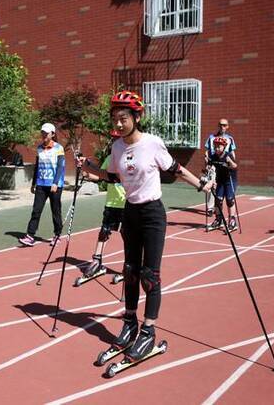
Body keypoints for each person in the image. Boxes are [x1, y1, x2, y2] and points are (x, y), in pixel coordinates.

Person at [78, 90, 213, 362]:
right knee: (130, 271)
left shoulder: (152, 143)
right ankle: (129, 322)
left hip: (152, 214)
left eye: (123, 118)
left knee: (150, 275)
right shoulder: (117, 147)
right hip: (130, 213)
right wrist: (90, 168)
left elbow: (175, 168)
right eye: (115, 118)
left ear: (136, 117)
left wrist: (202, 184)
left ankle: (148, 331)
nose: (118, 123)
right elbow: (113, 176)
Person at [79, 130, 126, 280]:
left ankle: (130, 265)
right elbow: (99, 175)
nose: (113, 142)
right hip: (111, 203)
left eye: (117, 139)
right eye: (112, 139)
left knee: (128, 236)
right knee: (104, 232)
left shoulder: (130, 159)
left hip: (127, 204)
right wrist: (85, 171)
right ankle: (96, 261)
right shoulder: (110, 158)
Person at [19, 123, 65, 247]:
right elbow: (37, 166)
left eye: (46, 133)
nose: (44, 135)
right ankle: (30, 235)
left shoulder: (59, 148)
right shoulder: (39, 148)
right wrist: (34, 183)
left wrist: (55, 183)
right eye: (42, 133)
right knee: (36, 210)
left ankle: (57, 235)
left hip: (55, 185)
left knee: (55, 211)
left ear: (53, 134)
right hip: (41, 184)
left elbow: (60, 167)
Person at [204, 118, 236, 216]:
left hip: (224, 164)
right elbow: (207, 151)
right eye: (221, 125)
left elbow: (232, 152)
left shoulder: (230, 138)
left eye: (224, 125)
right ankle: (210, 208)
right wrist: (206, 161)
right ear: (218, 126)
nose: (222, 127)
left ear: (227, 126)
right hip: (214, 164)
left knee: (223, 194)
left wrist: (232, 163)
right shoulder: (211, 137)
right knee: (210, 184)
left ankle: (222, 212)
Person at [207, 136, 239, 231]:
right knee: (218, 200)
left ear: (224, 147)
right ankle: (218, 220)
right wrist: (208, 167)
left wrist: (230, 162)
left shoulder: (228, 155)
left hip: (230, 180)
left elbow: (235, 166)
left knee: (229, 200)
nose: (217, 148)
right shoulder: (213, 156)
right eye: (215, 146)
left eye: (219, 146)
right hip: (220, 180)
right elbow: (209, 167)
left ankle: (232, 221)